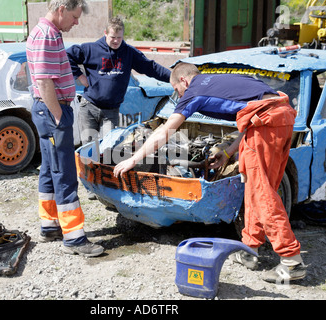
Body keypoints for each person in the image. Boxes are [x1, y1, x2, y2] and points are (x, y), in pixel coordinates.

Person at [113, 62, 307, 283]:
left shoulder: (194, 90)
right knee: (258, 189)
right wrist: (228, 151)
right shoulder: (218, 80)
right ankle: (250, 249)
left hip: (266, 125)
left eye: (177, 90)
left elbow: (165, 131)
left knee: (262, 193)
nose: (179, 95)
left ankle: (292, 261)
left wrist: (134, 159)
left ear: (184, 81)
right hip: (279, 120)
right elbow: (257, 111)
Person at [26, 0, 104, 257]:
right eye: (74, 16)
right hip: (53, 111)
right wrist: (59, 117)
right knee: (65, 173)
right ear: (61, 10)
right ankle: (74, 237)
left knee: (50, 169)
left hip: (46, 111)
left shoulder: (44, 32)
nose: (76, 22)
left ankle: (49, 225)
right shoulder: (48, 35)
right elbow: (45, 80)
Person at [66, 16, 171, 199]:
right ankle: (90, 186)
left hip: (111, 111)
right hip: (89, 106)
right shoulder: (90, 49)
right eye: (112, 37)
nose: (115, 41)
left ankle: (106, 183)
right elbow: (67, 56)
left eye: (119, 38)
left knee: (109, 148)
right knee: (89, 147)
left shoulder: (128, 53)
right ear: (105, 33)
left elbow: (150, 67)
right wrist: (79, 76)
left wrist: (173, 77)